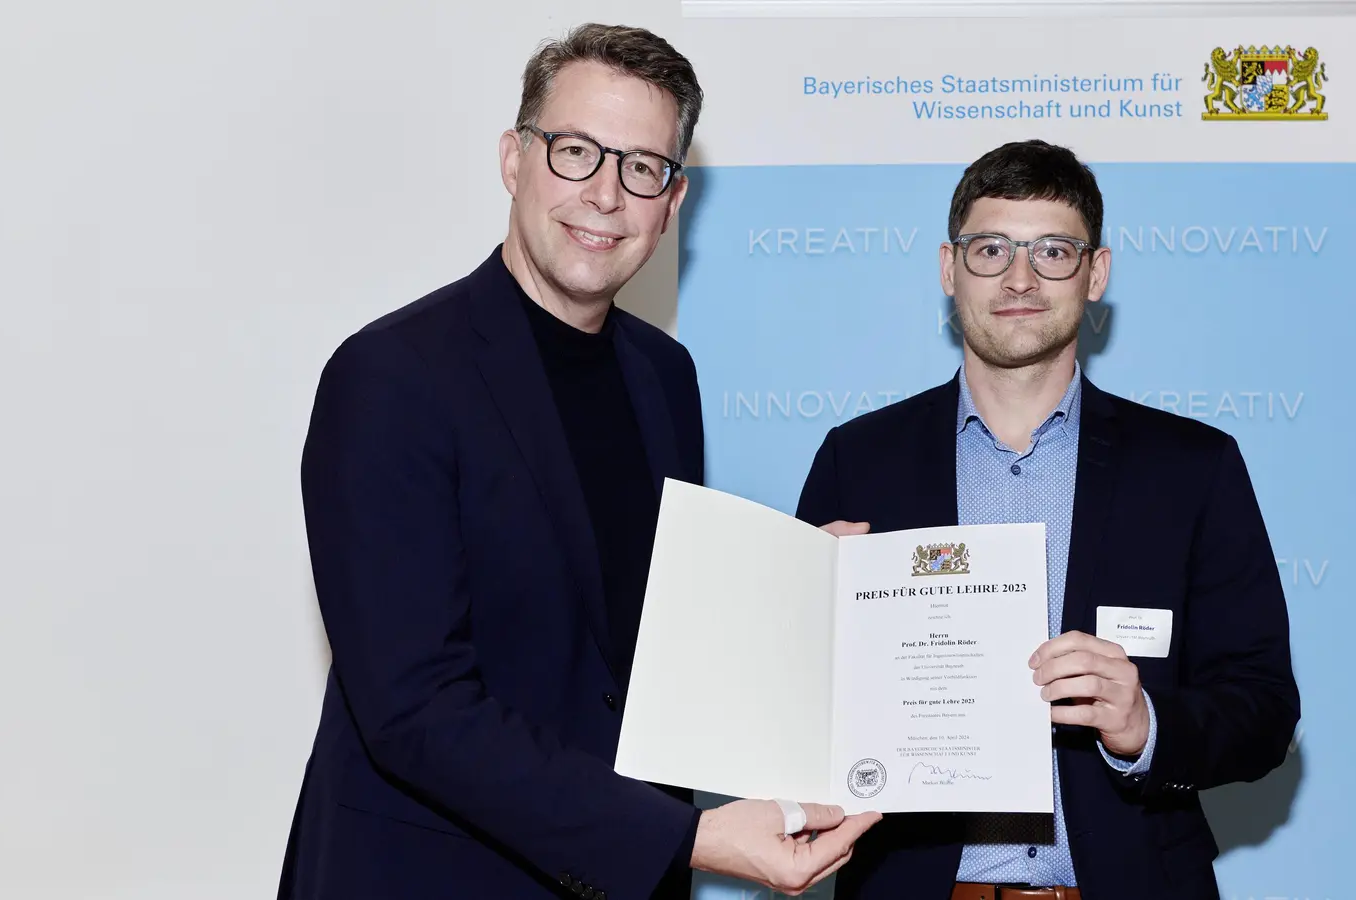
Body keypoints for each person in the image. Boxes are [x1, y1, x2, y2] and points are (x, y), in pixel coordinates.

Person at [277, 23, 878, 900]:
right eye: (575, 152)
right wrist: (688, 838)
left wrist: (792, 593)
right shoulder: (392, 375)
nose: (605, 195)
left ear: (672, 204)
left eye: (641, 168)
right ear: (514, 160)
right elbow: (415, 707)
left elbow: (634, 635)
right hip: (429, 874)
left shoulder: (664, 376)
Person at [795, 140, 1299, 900]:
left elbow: (1263, 708)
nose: (1020, 278)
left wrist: (1146, 724)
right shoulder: (858, 462)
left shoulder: (1194, 468)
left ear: (1095, 274)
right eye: (991, 249)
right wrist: (798, 624)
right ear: (947, 269)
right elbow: (793, 713)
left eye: (1053, 251)